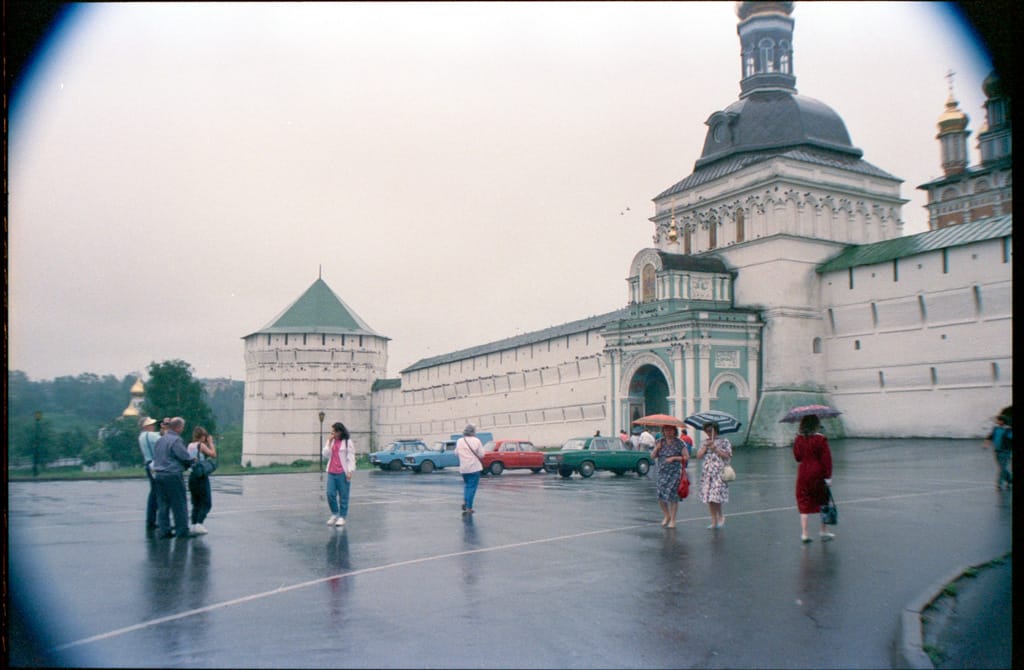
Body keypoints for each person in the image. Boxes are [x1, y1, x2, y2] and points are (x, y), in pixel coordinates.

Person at [793, 415, 834, 543]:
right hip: (817, 473)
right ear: (816, 425)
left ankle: (804, 533)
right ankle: (823, 531)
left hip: (803, 472)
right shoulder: (820, 439)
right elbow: (827, 460)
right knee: (823, 501)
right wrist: (828, 477)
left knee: (803, 501)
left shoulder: (798, 439)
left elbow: (797, 457)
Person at [151, 417, 194, 539]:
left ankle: (164, 530)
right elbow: (184, 456)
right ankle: (182, 530)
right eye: (182, 427)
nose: (183, 429)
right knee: (179, 503)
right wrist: (191, 461)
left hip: (159, 474)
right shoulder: (176, 440)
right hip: (172, 475)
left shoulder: (160, 440)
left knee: (163, 504)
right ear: (178, 427)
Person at [650, 424, 688, 528]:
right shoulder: (659, 442)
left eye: (670, 430)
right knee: (660, 496)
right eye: (666, 430)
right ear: (663, 431)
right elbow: (652, 456)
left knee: (673, 497)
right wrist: (657, 448)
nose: (668, 432)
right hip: (662, 473)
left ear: (674, 431)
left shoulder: (680, 443)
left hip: (674, 473)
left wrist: (674, 458)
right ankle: (667, 515)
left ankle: (673, 520)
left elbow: (686, 457)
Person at [696, 421, 732, 529]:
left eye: (710, 430)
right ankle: (714, 520)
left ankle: (720, 515)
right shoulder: (704, 442)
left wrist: (715, 448)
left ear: (716, 430)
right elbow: (698, 456)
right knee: (709, 498)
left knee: (716, 497)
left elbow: (727, 455)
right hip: (707, 473)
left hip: (719, 473)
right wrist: (705, 447)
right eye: (706, 431)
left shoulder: (724, 441)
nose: (708, 433)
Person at [322, 422, 356, 526]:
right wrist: (328, 442)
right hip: (331, 472)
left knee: (343, 496)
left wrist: (350, 471)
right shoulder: (331, 441)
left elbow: (351, 457)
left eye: (334, 431)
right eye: (331, 431)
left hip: (342, 472)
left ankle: (342, 517)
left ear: (340, 432)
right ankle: (335, 514)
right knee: (330, 494)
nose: (332, 433)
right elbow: (325, 454)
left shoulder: (347, 442)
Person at [187, 426, 217, 535]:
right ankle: (199, 523)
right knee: (206, 502)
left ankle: (193, 524)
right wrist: (211, 443)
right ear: (203, 436)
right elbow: (213, 454)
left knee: (196, 502)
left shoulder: (190, 445)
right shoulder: (201, 445)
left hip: (192, 475)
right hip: (201, 476)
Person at [455, 424, 485, 514]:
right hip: (474, 468)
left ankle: (465, 501)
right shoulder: (476, 440)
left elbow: (456, 453)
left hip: (464, 468)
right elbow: (482, 455)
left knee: (467, 486)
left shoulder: (460, 441)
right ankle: (469, 507)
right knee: (472, 488)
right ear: (473, 432)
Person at [138, 417, 161, 530]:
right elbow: (164, 440)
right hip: (154, 464)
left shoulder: (142, 436)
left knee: (154, 492)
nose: (153, 426)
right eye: (151, 424)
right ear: (145, 426)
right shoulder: (149, 435)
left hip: (149, 464)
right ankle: (154, 520)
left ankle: (151, 519)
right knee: (157, 492)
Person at [983, 412, 1013, 490]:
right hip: (997, 451)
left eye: (998, 420)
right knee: (1002, 468)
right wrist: (986, 444)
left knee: (1002, 468)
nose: (997, 421)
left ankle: (999, 484)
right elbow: (990, 437)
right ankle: (1010, 480)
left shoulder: (1009, 430)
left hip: (1005, 451)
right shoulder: (996, 429)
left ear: (1002, 421)